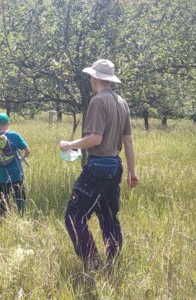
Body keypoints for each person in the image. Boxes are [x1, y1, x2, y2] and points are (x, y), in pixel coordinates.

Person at [59, 59, 139, 270]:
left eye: (90, 76)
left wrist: (69, 144)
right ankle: (113, 261)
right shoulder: (122, 102)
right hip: (115, 166)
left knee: (73, 217)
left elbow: (95, 138)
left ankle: (93, 263)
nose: (89, 79)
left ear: (94, 78)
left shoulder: (97, 101)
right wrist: (132, 171)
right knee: (108, 215)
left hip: (97, 167)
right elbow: (128, 141)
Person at [0, 113, 30, 216]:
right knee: (19, 198)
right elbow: (27, 150)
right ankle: (21, 216)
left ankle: (4, 219)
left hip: (1, 175)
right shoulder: (15, 135)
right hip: (16, 174)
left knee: (3, 199)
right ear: (8, 123)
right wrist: (21, 158)